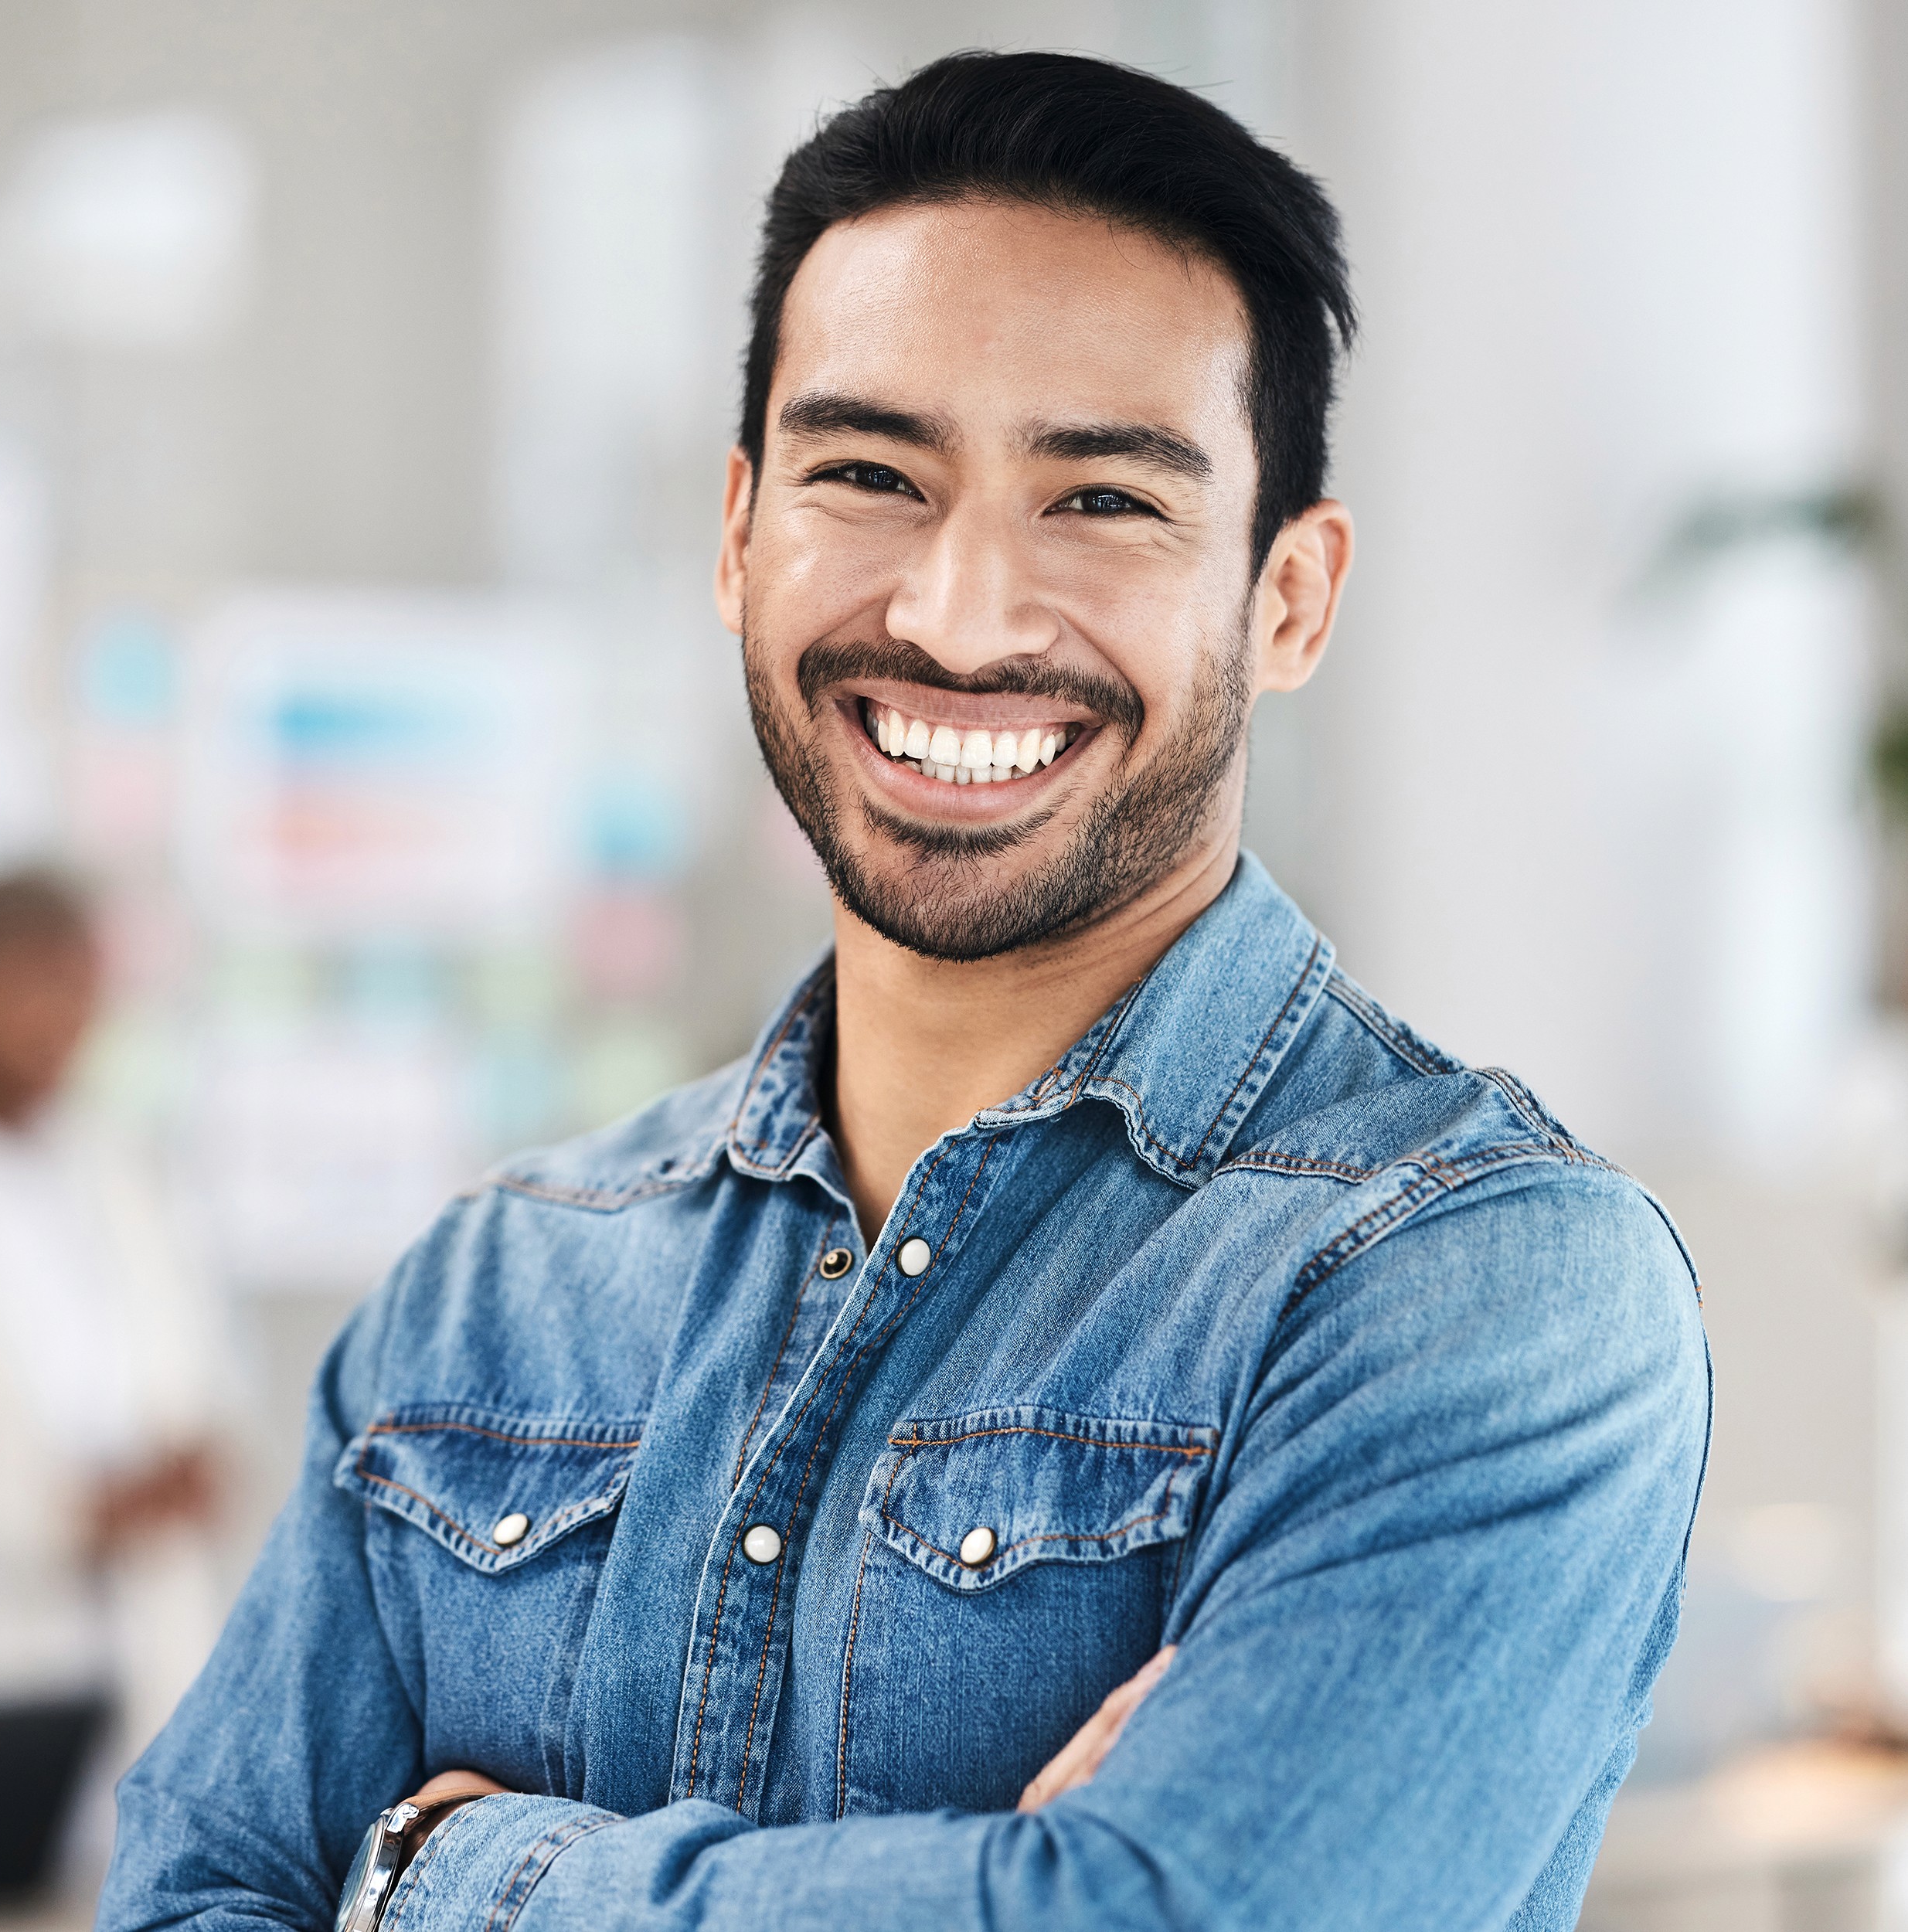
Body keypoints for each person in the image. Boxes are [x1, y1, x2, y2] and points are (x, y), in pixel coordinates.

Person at [99, 50, 1709, 1932]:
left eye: (1100, 499)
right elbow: (189, 1900)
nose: (956, 616)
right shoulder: (491, 1297)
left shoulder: (1474, 1278)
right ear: (734, 532)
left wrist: (451, 1872)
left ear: (1286, 598)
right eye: (869, 474)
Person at [0, 869, 231, 1892]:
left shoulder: (119, 1169)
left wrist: (188, 1469)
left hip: (128, 1657)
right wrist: (69, 1516)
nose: (59, 1022)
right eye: (30, 987)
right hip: (1, 1646)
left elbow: (197, 1386)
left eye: (79, 992)